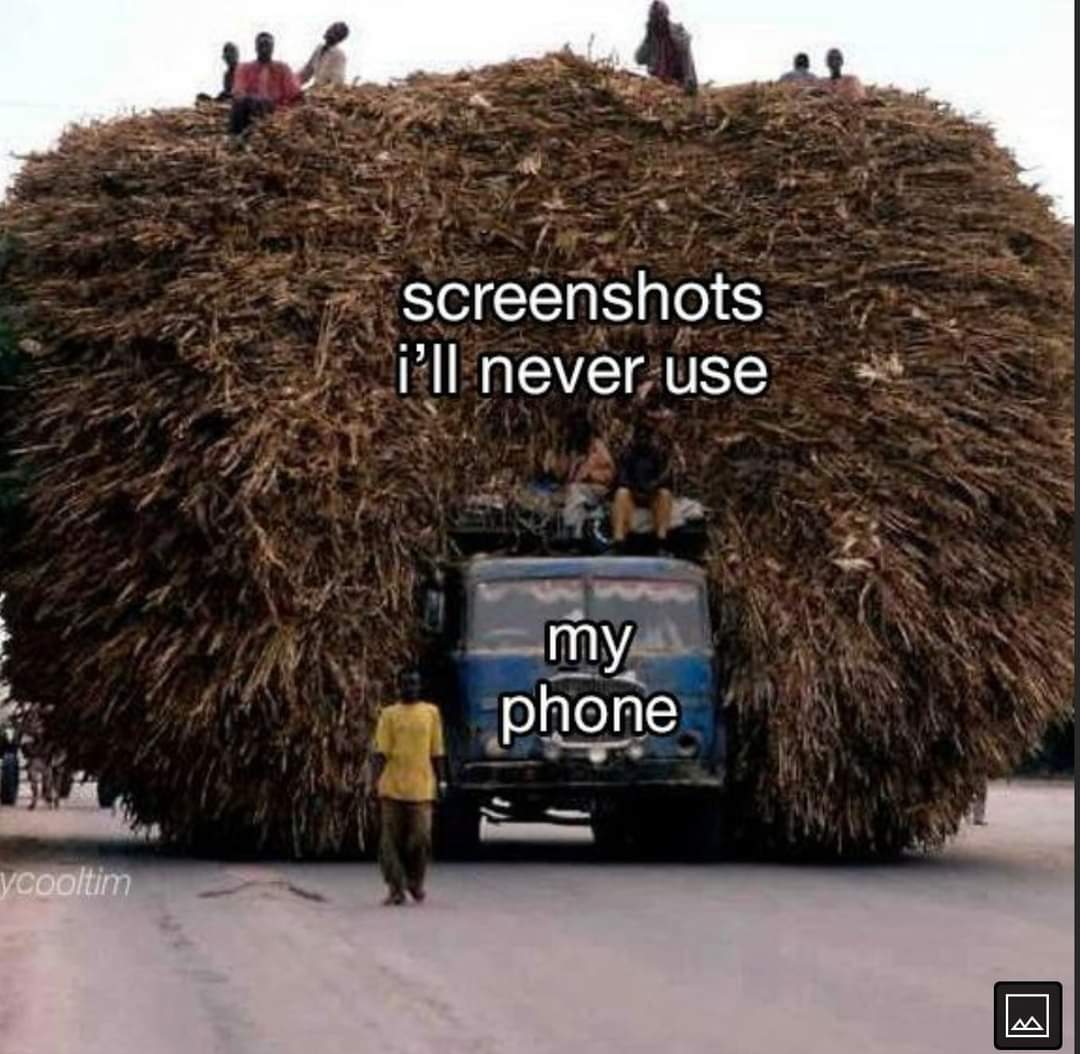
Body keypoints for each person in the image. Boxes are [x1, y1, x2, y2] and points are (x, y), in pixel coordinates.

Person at [371, 670, 448, 906]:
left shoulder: (431, 713)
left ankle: (415, 882)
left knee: (420, 838)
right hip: (392, 787)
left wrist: (442, 781)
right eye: (406, 684)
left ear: (420, 686)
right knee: (389, 843)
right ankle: (396, 888)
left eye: (414, 684)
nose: (410, 688)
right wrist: (374, 781)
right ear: (399, 686)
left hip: (421, 788)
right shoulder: (389, 715)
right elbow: (381, 752)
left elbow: (437, 750)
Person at [612, 420, 674, 547]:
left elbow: (666, 477)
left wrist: (654, 485)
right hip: (633, 494)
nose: (642, 440)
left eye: (645, 437)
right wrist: (634, 489)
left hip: (652, 494)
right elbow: (622, 478)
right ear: (635, 438)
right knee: (621, 493)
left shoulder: (658, 454)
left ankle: (661, 540)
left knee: (665, 494)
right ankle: (619, 540)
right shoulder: (627, 454)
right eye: (639, 437)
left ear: (650, 438)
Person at [229, 32, 303, 136]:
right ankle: (237, 136)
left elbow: (294, 93)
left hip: (276, 109)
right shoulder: (244, 68)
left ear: (273, 48)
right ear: (256, 47)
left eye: (267, 45)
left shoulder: (282, 68)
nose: (264, 48)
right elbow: (238, 92)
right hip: (250, 109)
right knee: (242, 103)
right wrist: (252, 100)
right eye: (261, 45)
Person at [634, 2, 698, 95]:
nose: (656, 21)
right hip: (657, 84)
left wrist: (689, 82)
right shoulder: (652, 37)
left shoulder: (678, 34)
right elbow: (639, 59)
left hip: (677, 83)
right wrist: (647, 38)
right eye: (653, 18)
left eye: (658, 17)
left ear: (665, 17)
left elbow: (686, 57)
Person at [298, 22, 350, 89]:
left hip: (326, 91)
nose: (330, 31)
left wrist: (323, 90)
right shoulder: (319, 49)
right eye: (330, 28)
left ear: (340, 38)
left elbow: (337, 80)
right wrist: (292, 80)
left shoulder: (339, 55)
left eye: (335, 32)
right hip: (315, 88)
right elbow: (306, 72)